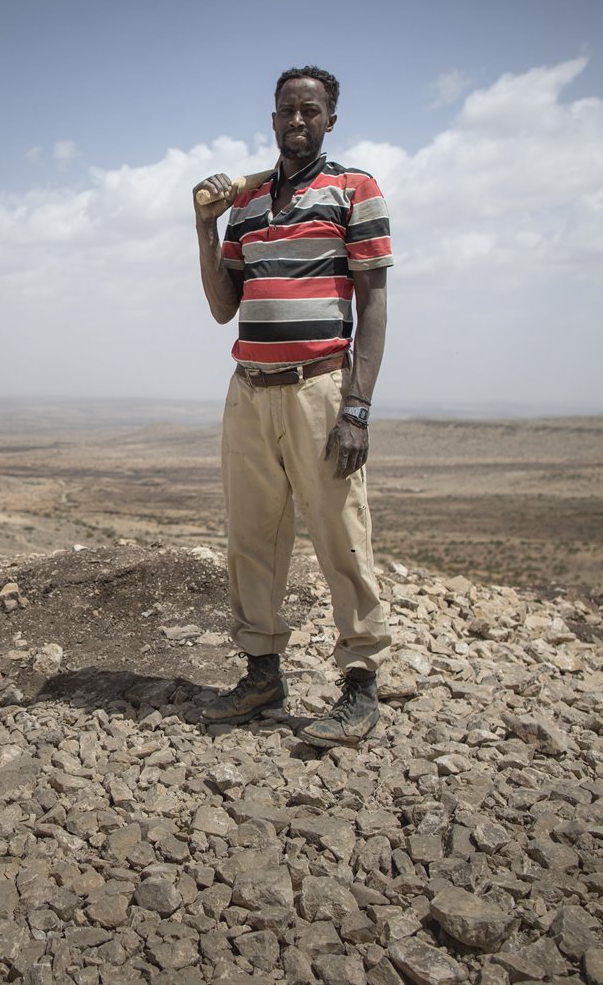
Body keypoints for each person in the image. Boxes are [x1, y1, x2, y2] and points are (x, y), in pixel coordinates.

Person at [191, 65, 393, 747]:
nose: (297, 122)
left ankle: (361, 686)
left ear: (331, 119)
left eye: (311, 111)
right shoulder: (245, 207)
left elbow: (373, 301)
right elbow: (225, 309)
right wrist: (203, 228)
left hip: (320, 387)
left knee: (341, 533)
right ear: (271, 118)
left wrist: (357, 406)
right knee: (252, 537)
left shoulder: (353, 189)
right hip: (249, 391)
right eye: (286, 111)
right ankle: (261, 674)